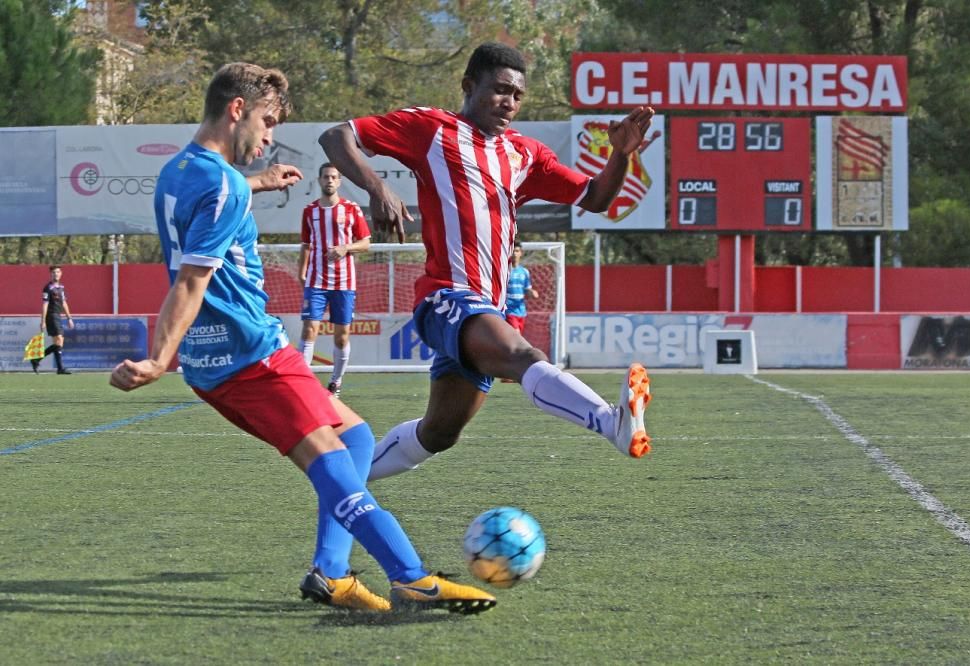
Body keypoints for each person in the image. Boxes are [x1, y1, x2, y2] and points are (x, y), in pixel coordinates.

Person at [109, 62, 495, 614]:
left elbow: (213, 202)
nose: (269, 139)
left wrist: (260, 183)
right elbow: (192, 281)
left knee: (357, 438)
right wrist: (155, 359)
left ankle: (331, 574)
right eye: (266, 123)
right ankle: (411, 577)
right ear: (236, 110)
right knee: (331, 458)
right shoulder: (222, 185)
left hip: (219, 358)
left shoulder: (181, 171)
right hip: (250, 356)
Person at [318, 42, 654, 482]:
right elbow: (336, 136)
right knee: (523, 354)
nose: (509, 103)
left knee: (438, 433)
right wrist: (377, 189)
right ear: (468, 86)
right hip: (447, 297)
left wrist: (621, 155)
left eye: (517, 95)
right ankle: (612, 423)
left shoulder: (525, 154)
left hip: (485, 310)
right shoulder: (431, 129)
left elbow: (595, 197)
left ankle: (344, 484)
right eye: (499, 90)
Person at [297, 163, 371, 397]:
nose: (329, 180)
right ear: (319, 180)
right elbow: (306, 245)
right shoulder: (309, 211)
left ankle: (335, 382)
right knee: (309, 330)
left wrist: (345, 248)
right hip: (316, 281)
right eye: (325, 177)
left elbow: (366, 243)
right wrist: (302, 271)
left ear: (339, 181)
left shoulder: (351, 209)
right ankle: (302, 386)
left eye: (334, 177)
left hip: (344, 283)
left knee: (342, 336)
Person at [32, 265, 75, 374]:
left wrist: (69, 318)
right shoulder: (48, 288)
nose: (56, 274)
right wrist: (43, 321)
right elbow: (45, 305)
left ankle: (37, 360)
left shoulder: (61, 287)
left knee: (59, 343)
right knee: (59, 340)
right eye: (53, 272)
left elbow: (64, 302)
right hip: (51, 316)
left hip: (58, 316)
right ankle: (59, 368)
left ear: (61, 274)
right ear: (50, 274)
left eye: (57, 272)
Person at [504, 241, 538, 335]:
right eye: (513, 251)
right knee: (516, 335)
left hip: (521, 311)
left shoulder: (524, 272)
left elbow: (527, 289)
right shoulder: (505, 270)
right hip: (509, 310)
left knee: (514, 339)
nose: (515, 253)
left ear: (521, 253)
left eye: (517, 251)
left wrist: (532, 292)